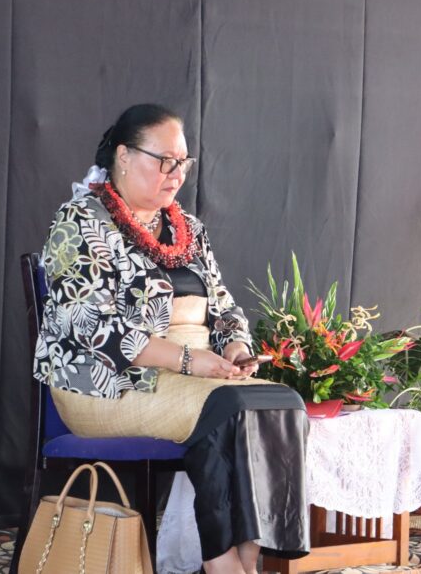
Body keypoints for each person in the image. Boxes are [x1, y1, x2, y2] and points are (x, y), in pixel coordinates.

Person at [34, 104, 308, 574]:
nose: (175, 173)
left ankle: (250, 560)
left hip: (193, 377)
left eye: (182, 162)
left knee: (282, 403)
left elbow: (224, 307)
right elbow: (96, 329)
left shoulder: (188, 228)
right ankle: (220, 563)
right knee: (227, 409)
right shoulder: (81, 221)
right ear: (123, 155)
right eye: (164, 160)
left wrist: (236, 348)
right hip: (107, 385)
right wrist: (188, 361)